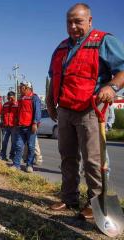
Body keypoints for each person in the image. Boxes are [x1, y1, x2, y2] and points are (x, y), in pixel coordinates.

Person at [46, 3, 124, 219]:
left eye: (78, 21)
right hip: (65, 110)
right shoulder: (61, 48)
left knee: (93, 160)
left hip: (91, 110)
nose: (73, 26)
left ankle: (96, 201)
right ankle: (69, 197)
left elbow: (122, 70)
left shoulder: (104, 41)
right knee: (67, 156)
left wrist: (112, 86)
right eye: (69, 22)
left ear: (90, 21)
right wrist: (51, 103)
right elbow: (52, 77)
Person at [12, 81, 41, 173]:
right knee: (19, 146)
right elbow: (18, 111)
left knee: (31, 146)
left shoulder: (34, 98)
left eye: (21, 87)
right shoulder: (21, 98)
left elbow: (37, 112)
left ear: (27, 88)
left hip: (30, 127)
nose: (19, 89)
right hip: (21, 126)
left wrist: (35, 123)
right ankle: (16, 164)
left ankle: (29, 165)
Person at [0, 91, 18, 161]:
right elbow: (2, 114)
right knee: (4, 141)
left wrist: (14, 102)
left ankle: (12, 155)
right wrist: (2, 122)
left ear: (14, 97)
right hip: (5, 126)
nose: (9, 99)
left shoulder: (17, 104)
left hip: (14, 126)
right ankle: (3, 155)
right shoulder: (5, 105)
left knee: (14, 142)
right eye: (8, 97)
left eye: (11, 97)